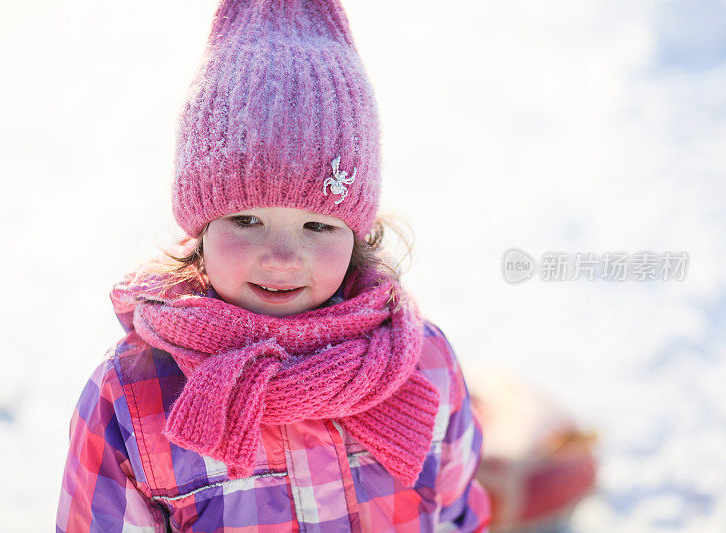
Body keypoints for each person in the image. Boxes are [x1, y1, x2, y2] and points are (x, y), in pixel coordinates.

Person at [56, 0, 491, 531]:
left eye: (318, 226)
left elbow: (458, 517)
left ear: (357, 236)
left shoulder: (422, 364)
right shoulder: (133, 397)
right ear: (200, 226)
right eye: (245, 219)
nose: (283, 257)